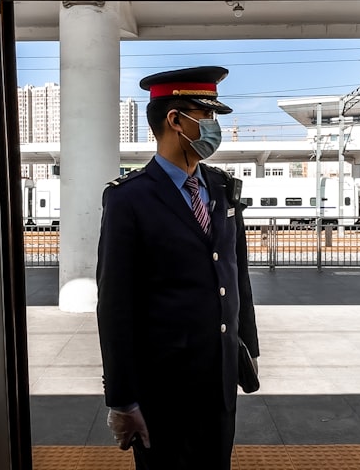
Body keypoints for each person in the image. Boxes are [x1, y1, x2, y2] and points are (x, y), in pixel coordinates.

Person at [96, 65, 260, 469]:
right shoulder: (128, 199)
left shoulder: (221, 188)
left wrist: (248, 349)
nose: (213, 127)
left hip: (219, 383)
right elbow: (115, 306)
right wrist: (121, 399)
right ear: (176, 121)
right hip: (161, 390)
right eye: (207, 117)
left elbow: (237, 274)